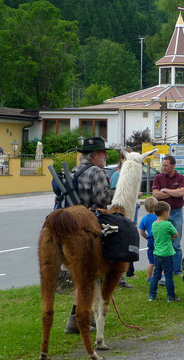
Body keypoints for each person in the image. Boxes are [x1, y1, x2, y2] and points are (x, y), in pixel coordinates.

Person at [65, 137, 116, 334]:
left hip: (69, 227)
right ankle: (79, 319)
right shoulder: (97, 172)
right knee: (87, 276)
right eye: (103, 153)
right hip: (87, 228)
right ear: (95, 155)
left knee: (81, 276)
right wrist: (114, 191)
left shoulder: (73, 171)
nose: (105, 156)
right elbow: (103, 199)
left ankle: (76, 317)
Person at [152, 155, 184, 275]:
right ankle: (165, 270)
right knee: (162, 243)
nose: (163, 168)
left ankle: (177, 270)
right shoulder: (158, 177)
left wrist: (165, 190)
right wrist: (173, 193)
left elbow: (182, 192)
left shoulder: (181, 177)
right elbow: (156, 194)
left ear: (173, 165)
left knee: (176, 243)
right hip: (162, 214)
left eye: (166, 165)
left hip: (177, 213)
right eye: (163, 165)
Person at [110, 151, 141, 279]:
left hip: (127, 208)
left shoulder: (121, 173)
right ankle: (125, 272)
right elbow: (115, 191)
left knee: (128, 239)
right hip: (120, 211)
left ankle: (128, 271)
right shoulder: (118, 175)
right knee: (125, 239)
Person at [149, 201, 180, 302]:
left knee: (156, 275)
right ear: (165, 213)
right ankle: (171, 296)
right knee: (168, 275)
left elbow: (155, 235)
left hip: (157, 253)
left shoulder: (154, 224)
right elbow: (176, 234)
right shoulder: (167, 224)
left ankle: (152, 295)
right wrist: (169, 237)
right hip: (167, 254)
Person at [139, 197, 158, 283]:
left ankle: (149, 278)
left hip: (150, 240)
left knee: (151, 261)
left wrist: (147, 237)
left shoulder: (144, 218)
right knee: (161, 259)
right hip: (158, 239)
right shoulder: (158, 217)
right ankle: (162, 276)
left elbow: (142, 232)